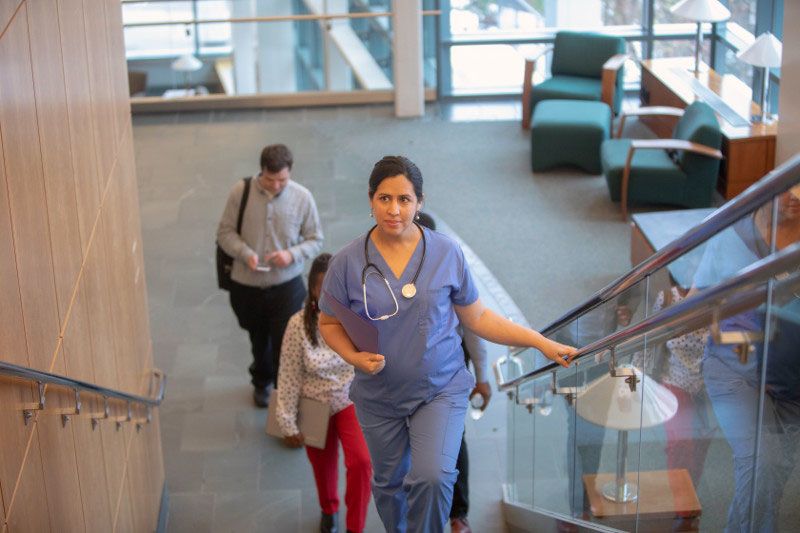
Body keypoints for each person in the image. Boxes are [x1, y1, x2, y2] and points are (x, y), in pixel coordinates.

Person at [317, 155, 576, 533]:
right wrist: (352, 355)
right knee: (389, 485)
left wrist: (538, 342)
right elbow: (328, 321)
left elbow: (479, 318)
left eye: (404, 199)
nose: (394, 210)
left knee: (434, 477)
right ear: (371, 200)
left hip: (438, 388)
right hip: (379, 394)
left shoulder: (446, 252)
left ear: (420, 202)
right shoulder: (345, 263)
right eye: (384, 198)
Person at [693, 186, 800, 532]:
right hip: (735, 368)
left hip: (792, 379)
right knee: (761, 464)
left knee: (771, 478)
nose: (796, 197)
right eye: (790, 189)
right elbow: (696, 303)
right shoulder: (732, 237)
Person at [216, 143, 323, 407]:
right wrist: (245, 253)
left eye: (283, 180)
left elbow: (315, 239)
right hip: (247, 286)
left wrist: (291, 255)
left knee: (285, 346)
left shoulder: (302, 197)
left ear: (291, 172)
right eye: (270, 179)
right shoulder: (240, 192)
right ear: (261, 171)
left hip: (286, 286)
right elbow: (225, 233)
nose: (276, 185)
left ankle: (283, 393)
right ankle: (261, 379)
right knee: (258, 338)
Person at [276, 253, 372, 533]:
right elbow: (289, 374)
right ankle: (328, 509)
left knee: (362, 462)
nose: (329, 292)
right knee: (322, 465)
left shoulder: (356, 317)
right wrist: (286, 421)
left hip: (348, 398)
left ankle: (355, 526)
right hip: (312, 403)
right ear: (313, 289)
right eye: (322, 286)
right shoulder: (297, 325)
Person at [414, 212, 491, 533]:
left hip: (449, 366)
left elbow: (475, 327)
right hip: (409, 373)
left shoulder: (452, 271)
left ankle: (458, 514)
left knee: (454, 440)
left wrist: (483, 377)